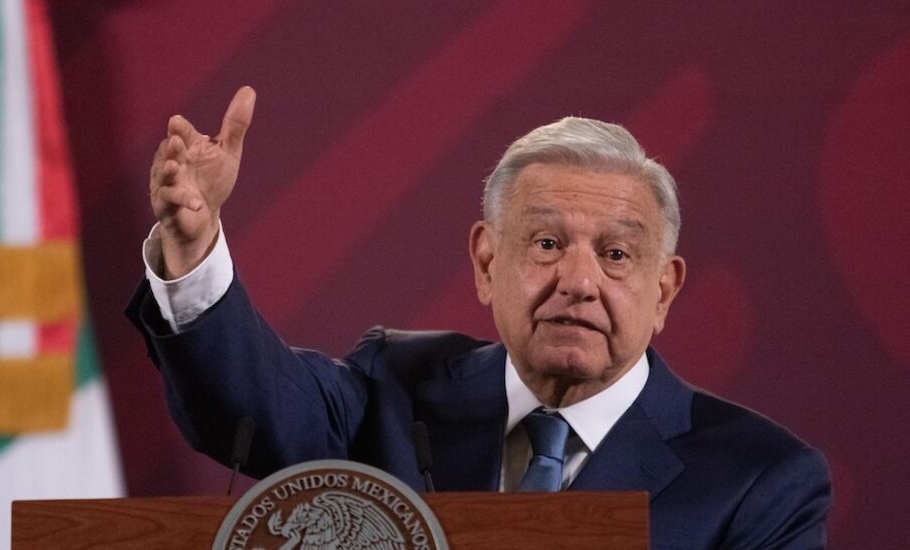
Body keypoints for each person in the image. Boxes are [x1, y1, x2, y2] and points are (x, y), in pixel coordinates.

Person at [127, 87, 831, 548]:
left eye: (616, 254)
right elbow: (250, 407)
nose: (578, 282)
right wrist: (193, 249)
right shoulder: (394, 387)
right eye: (546, 244)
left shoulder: (761, 481)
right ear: (487, 263)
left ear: (665, 291)